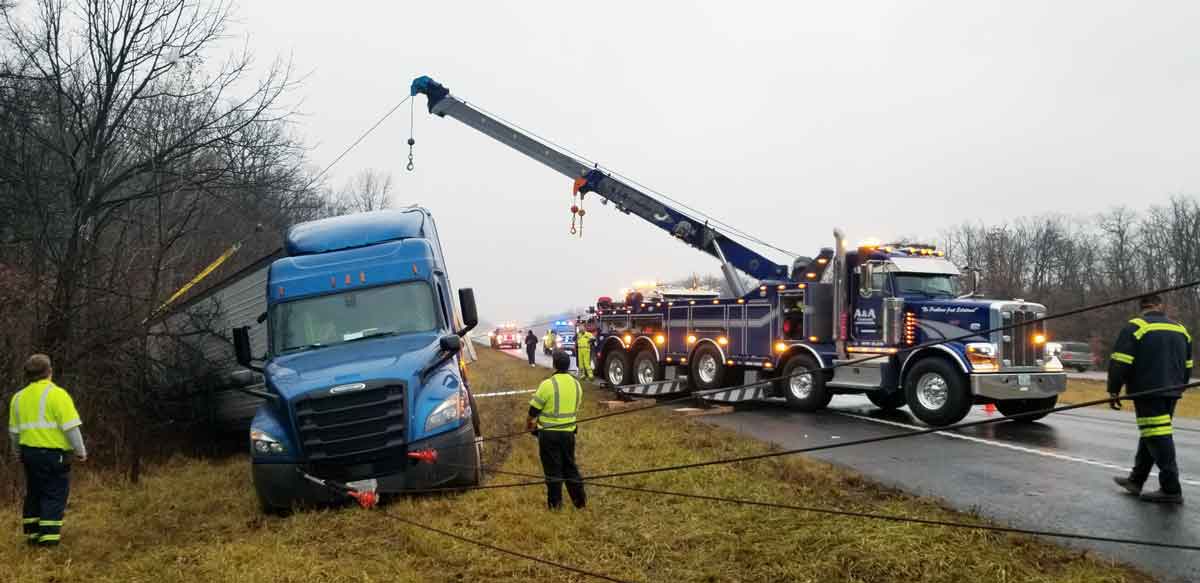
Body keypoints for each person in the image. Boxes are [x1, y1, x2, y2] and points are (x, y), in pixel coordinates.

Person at [1108, 294, 1191, 504]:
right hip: (1173, 391)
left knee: (1158, 436)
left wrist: (1114, 390)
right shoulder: (1180, 328)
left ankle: (1171, 489)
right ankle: (1136, 480)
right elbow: (1188, 364)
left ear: (1141, 307)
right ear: (1160, 306)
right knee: (1152, 433)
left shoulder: (1135, 326)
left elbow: (1120, 362)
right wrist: (1180, 386)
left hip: (1147, 391)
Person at [8, 354, 87, 546]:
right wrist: (80, 451)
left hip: (29, 453)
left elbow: (14, 432)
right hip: (53, 455)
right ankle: (49, 541)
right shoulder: (57, 394)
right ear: (49, 371)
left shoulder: (17, 398)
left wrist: (17, 452)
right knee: (54, 493)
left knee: (34, 492)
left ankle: (33, 536)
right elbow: (70, 428)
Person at [525, 351, 586, 510]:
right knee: (570, 466)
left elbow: (533, 411)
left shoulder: (547, 384)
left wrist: (529, 424)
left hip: (548, 435)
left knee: (553, 469)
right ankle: (580, 502)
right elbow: (576, 407)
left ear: (554, 364)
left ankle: (555, 505)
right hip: (569, 434)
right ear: (568, 365)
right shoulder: (576, 384)